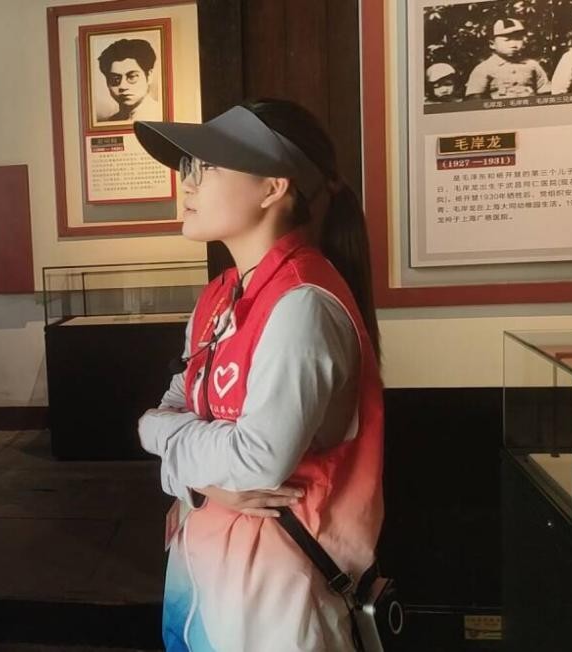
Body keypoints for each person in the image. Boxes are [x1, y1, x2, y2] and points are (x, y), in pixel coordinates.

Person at [134, 100, 384, 651]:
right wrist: (202, 481)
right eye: (188, 167)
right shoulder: (219, 296)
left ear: (273, 187)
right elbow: (170, 407)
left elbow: (256, 461)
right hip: (200, 569)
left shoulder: (303, 304)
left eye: (207, 167)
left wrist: (161, 441)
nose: (187, 183)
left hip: (275, 594)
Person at [465, 18, 550, 99]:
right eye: (507, 40)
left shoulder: (532, 65)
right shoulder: (484, 68)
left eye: (518, 39)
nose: (514, 44)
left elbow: (545, 92)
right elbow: (475, 99)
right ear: (492, 44)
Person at [96, 38, 164, 123]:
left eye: (132, 77)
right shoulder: (109, 122)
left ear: (149, 76)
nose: (123, 86)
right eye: (115, 79)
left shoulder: (160, 117)